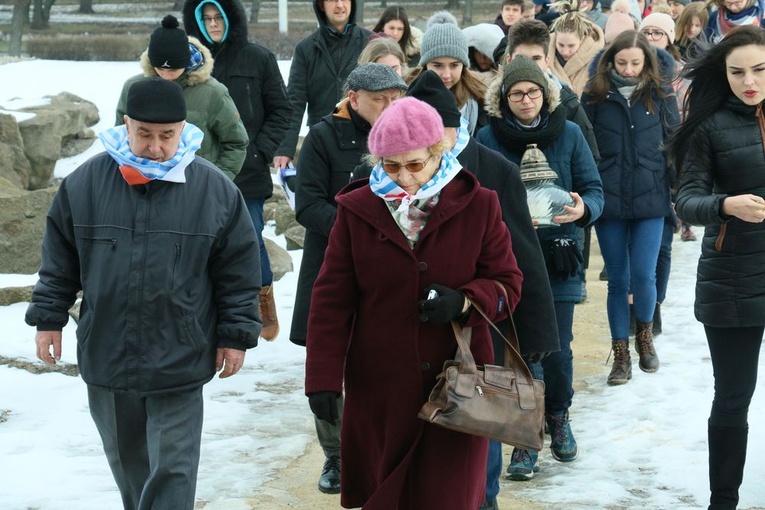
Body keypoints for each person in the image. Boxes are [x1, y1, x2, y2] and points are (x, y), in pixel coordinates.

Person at [25, 78, 261, 510]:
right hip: (109, 349)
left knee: (172, 467)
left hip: (182, 351)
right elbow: (59, 262)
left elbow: (239, 271)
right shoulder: (84, 185)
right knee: (129, 466)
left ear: (184, 128)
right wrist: (49, 319)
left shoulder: (215, 190)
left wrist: (235, 335)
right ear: (126, 125)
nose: (155, 146)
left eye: (167, 135)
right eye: (144, 134)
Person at [352, 69, 562, 510]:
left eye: (444, 129)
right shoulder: (372, 190)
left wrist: (524, 328)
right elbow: (336, 284)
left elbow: (519, 263)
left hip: (466, 363)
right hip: (393, 369)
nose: (406, 175)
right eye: (393, 165)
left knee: (472, 472)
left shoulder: (489, 178)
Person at [305, 95, 523, 509]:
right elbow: (331, 299)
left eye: (414, 164)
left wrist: (464, 300)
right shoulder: (356, 210)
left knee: (448, 498)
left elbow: (508, 285)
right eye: (390, 165)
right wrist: (323, 378)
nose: (403, 177)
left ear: (437, 154)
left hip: (458, 390)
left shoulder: (480, 204)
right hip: (381, 391)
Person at [477, 55, 604, 483]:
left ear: (545, 95)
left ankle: (559, 415)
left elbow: (593, 189)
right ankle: (525, 439)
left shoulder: (567, 134)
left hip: (560, 253)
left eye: (532, 92)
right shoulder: (487, 140)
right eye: (516, 93)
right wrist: (508, 218)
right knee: (523, 350)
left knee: (559, 348)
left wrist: (582, 208)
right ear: (503, 99)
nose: (526, 100)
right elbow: (475, 198)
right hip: (510, 261)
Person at [290, 63, 407, 495]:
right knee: (328, 363)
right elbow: (307, 205)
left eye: (397, 98)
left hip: (388, 269)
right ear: (353, 99)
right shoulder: (323, 136)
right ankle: (336, 454)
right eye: (381, 99)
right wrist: (357, 226)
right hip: (333, 262)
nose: (390, 107)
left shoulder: (407, 135)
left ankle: (381, 445)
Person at [669, 24, 765, 510]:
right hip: (732, 280)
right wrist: (727, 205)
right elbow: (687, 201)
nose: (749, 81)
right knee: (733, 397)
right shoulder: (709, 127)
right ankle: (722, 500)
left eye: (759, 70)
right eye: (737, 72)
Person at [182, 0, 291, 341]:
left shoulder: (258, 58)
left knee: (249, 235)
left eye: (219, 17)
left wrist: (259, 151)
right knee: (202, 241)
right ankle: (209, 308)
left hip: (248, 169)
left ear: (233, 19)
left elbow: (281, 110)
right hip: (196, 171)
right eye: (207, 19)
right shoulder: (187, 62)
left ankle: (262, 299)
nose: (214, 24)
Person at [582, 30, 680, 385]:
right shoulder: (594, 95)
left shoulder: (661, 92)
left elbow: (675, 141)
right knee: (617, 279)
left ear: (647, 62)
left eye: (635, 63)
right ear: (610, 61)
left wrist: (675, 188)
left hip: (650, 197)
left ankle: (645, 337)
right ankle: (619, 352)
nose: (628, 69)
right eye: (621, 62)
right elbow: (585, 145)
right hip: (608, 198)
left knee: (644, 273)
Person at [504, 18, 601, 302]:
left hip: (561, 241)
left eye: (536, 58)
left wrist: (582, 211)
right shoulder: (491, 122)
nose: (530, 66)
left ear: (547, 60)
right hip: (510, 247)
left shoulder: (569, 107)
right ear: (509, 59)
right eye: (522, 59)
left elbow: (590, 178)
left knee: (561, 344)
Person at [116, 14, 248, 181]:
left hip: (196, 186)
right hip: (142, 186)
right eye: (160, 68)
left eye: (173, 70)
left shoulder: (213, 92)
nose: (166, 75)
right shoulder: (133, 88)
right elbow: (120, 137)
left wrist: (217, 181)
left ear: (185, 62)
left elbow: (236, 142)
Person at [272, 0, 371, 171]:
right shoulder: (306, 49)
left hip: (363, 139)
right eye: (332, 0)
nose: (340, 5)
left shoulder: (370, 42)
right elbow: (295, 101)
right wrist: (285, 147)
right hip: (322, 138)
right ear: (321, 5)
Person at [408, 11, 488, 136]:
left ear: (464, 65)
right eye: (437, 65)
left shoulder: (481, 99)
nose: (446, 75)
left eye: (454, 65)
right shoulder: (405, 96)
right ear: (425, 65)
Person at [548, 0, 606, 96]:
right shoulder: (543, 55)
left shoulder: (597, 59)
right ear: (555, 38)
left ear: (582, 39)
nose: (565, 51)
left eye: (571, 46)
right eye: (561, 45)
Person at [462, 23, 506, 87]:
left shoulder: (504, 81)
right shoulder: (463, 80)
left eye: (486, 53)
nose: (482, 58)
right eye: (477, 51)